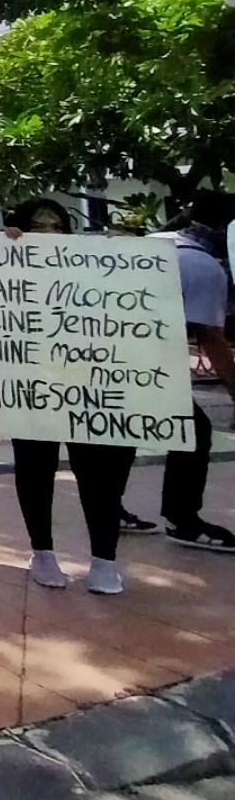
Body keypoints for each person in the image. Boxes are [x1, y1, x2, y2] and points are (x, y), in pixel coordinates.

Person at [4, 200, 134, 594]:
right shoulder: (3, 264)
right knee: (35, 469)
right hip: (31, 385)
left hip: (86, 385)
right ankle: (42, 553)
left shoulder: (88, 265)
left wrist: (120, 253)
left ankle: (104, 559)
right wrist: (3, 249)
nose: (47, 234)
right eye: (37, 226)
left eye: (55, 226)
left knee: (99, 474)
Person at [160, 195, 235, 552]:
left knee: (118, 436)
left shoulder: (155, 242)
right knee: (195, 429)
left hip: (107, 361)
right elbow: (211, 338)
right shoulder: (203, 266)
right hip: (150, 367)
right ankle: (183, 519)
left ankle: (115, 510)